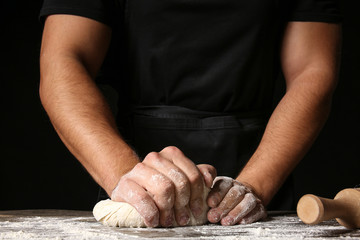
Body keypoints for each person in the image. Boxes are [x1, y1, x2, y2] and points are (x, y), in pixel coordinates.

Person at [39, 0, 342, 227]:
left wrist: (253, 187)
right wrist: (126, 176)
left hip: (258, 162)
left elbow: (312, 72)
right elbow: (63, 61)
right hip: (133, 162)